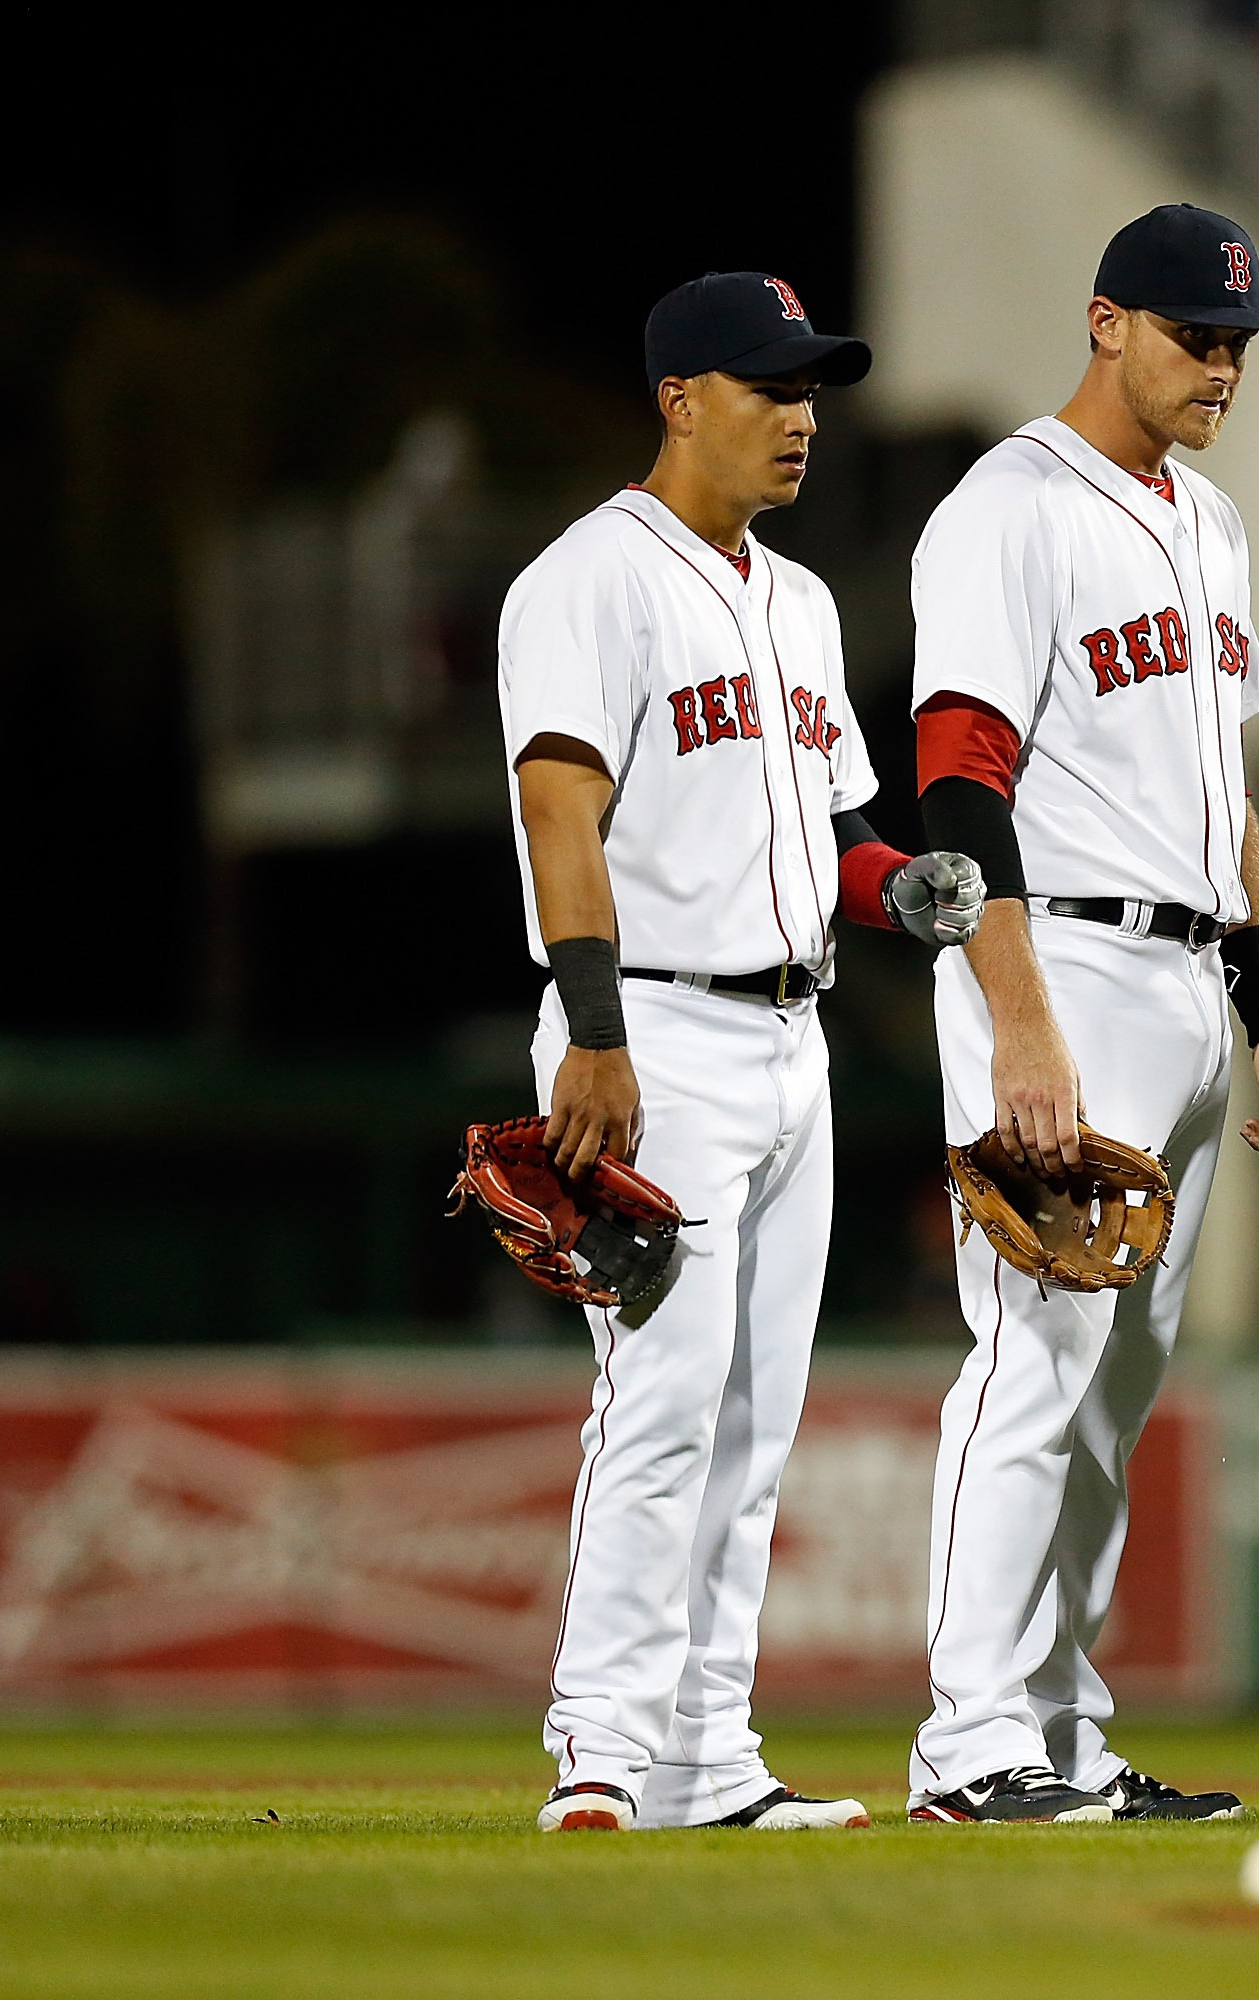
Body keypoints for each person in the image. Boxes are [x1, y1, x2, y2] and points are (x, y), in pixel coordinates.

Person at [500, 273, 984, 1833]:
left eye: (814, 385)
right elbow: (558, 811)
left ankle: (706, 1758)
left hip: (795, 1039)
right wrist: (591, 1031)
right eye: (770, 385)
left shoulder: (800, 599)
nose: (802, 415)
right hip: (649, 1031)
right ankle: (602, 1749)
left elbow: (831, 834)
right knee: (659, 1401)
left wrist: (898, 887)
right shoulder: (586, 580)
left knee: (757, 1422)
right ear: (679, 397)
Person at [904, 206, 1259, 1824]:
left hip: (1193, 983)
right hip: (1058, 967)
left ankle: (1062, 1732)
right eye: (1192, 336)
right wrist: (1015, 1018)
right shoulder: (1006, 509)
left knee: (1115, 1386)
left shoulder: (1208, 522)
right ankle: (971, 1741)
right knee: (1034, 1358)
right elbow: (958, 787)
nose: (1221, 366)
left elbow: (1235, 803)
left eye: (1236, 344)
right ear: (1104, 322)